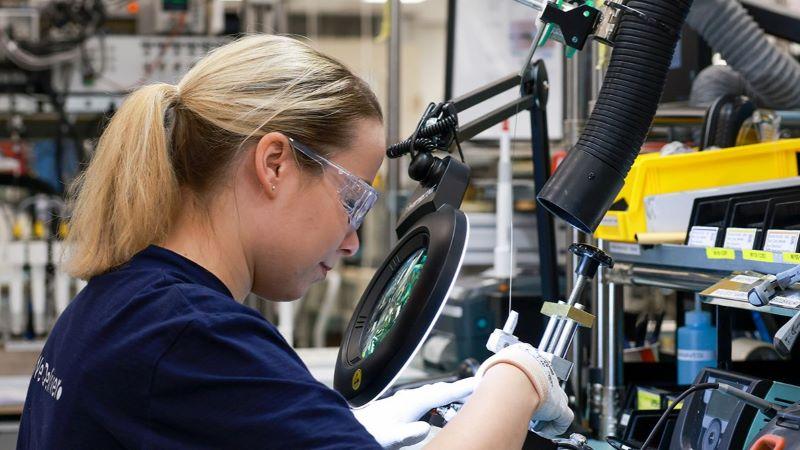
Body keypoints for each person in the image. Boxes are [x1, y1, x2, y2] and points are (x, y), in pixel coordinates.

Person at [17, 35, 572, 449]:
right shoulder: (193, 335)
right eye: (353, 200)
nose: (353, 241)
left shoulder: (121, 301)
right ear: (275, 164)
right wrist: (516, 378)